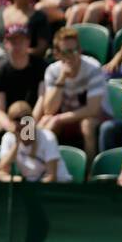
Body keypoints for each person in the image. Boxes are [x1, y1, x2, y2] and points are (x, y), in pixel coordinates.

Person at [41, 25, 107, 160]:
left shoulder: (93, 68)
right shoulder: (52, 71)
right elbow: (49, 109)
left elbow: (93, 110)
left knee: (86, 124)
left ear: (80, 50)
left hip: (98, 117)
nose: (72, 56)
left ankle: (88, 174)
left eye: (75, 50)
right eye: (66, 52)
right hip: (68, 119)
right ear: (57, 54)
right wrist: (62, 78)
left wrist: (59, 119)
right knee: (44, 122)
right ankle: (42, 171)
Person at [0, 101, 69, 183]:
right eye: (17, 119)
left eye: (26, 118)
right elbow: (3, 168)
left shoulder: (48, 137)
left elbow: (51, 177)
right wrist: (17, 142)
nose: (22, 123)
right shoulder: (8, 137)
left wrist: (33, 190)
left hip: (57, 185)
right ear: (11, 121)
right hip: (28, 183)